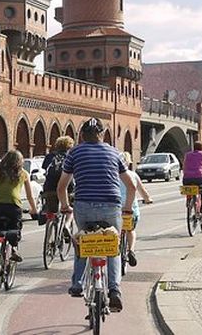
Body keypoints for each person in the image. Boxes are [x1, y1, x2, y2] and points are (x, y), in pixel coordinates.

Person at [58, 118, 136, 313]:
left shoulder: (74, 153)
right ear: (102, 134)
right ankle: (114, 290)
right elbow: (131, 186)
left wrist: (66, 206)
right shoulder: (114, 153)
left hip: (83, 206)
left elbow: (62, 187)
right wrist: (127, 208)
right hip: (111, 207)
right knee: (114, 247)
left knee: (82, 241)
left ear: (82, 135)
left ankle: (77, 283)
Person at [0, 149, 38, 285]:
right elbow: (29, 196)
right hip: (13, 208)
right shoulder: (23, 174)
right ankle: (13, 249)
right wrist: (33, 210)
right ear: (19, 162)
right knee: (14, 232)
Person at [120, 152, 152, 267]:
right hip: (130, 209)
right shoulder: (133, 175)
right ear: (128, 162)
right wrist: (147, 199)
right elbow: (142, 190)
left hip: (116, 209)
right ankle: (131, 250)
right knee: (130, 230)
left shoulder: (112, 174)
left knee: (115, 229)